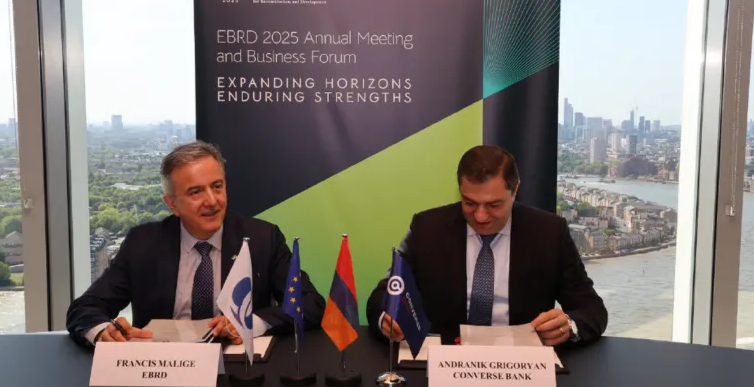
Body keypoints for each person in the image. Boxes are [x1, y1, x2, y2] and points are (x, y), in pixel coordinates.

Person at [66, 140, 325, 345]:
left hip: (239, 369)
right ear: (172, 204)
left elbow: (310, 303)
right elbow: (85, 308)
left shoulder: (262, 238)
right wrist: (103, 331)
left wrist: (251, 322)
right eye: (196, 192)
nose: (212, 200)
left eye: (217, 186)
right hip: (164, 370)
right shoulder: (142, 244)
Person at [366, 145, 607, 346]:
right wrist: (387, 317)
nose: (480, 216)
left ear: (515, 190)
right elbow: (386, 293)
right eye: (469, 203)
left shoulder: (549, 232)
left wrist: (568, 325)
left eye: (494, 205)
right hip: (444, 359)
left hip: (521, 364)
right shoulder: (427, 228)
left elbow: (591, 308)